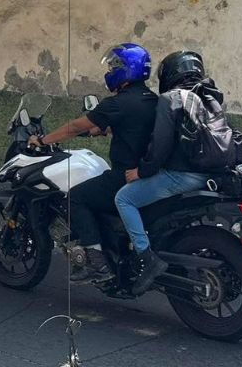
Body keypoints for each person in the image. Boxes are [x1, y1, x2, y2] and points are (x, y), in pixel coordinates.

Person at [26, 43, 157, 283]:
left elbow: (76, 126)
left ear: (124, 69)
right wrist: (103, 129)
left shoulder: (117, 103)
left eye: (112, 66)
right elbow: (127, 127)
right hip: (149, 175)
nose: (109, 71)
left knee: (75, 198)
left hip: (124, 176)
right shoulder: (151, 99)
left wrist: (43, 140)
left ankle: (96, 261)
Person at [115, 50, 220, 294]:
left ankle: (146, 259)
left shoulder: (171, 99)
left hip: (183, 175)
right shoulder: (210, 96)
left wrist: (141, 171)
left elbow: (160, 144)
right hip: (212, 175)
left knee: (124, 197)